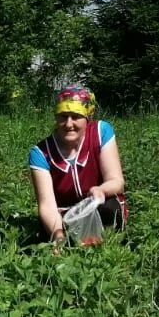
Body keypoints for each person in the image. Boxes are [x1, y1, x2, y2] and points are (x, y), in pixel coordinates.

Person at [28, 86, 127, 244]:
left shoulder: (101, 133)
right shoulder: (41, 153)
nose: (68, 124)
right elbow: (46, 205)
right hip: (64, 216)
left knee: (109, 207)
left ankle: (110, 244)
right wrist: (58, 235)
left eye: (75, 116)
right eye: (63, 116)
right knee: (46, 228)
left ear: (88, 117)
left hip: (98, 206)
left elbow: (117, 181)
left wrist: (101, 190)